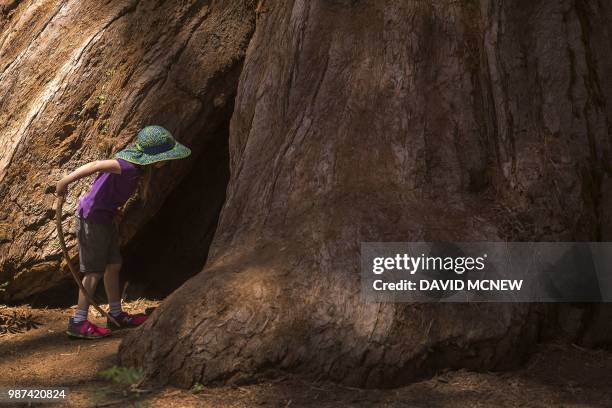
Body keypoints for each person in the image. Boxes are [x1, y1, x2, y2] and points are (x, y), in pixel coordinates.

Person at [56, 125, 191, 339]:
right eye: (167, 157)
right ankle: (78, 321)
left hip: (106, 219)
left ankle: (116, 315)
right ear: (156, 157)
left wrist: (114, 210)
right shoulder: (125, 165)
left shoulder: (137, 170)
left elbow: (109, 190)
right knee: (93, 272)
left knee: (114, 265)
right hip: (92, 219)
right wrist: (65, 181)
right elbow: (96, 165)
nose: (168, 161)